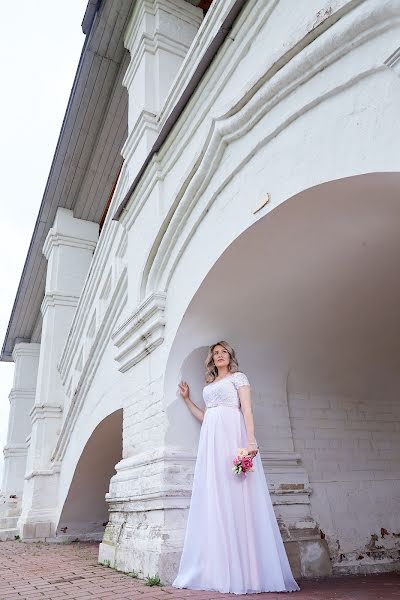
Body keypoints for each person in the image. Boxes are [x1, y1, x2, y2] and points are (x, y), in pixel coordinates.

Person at [172, 341, 300, 594]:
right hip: (212, 440)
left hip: (233, 435)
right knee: (218, 492)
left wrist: (250, 441)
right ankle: (221, 566)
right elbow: (206, 416)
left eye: (224, 352)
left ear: (230, 357)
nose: (220, 356)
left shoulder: (239, 378)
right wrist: (187, 400)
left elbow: (248, 410)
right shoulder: (209, 386)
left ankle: (249, 572)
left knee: (239, 492)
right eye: (216, 353)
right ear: (212, 359)